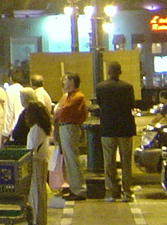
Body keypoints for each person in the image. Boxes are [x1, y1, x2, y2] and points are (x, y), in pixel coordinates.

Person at [95, 61, 138, 202]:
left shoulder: (100, 87)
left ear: (108, 72)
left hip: (108, 127)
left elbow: (100, 104)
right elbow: (132, 105)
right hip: (125, 127)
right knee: (126, 162)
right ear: (120, 72)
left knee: (109, 162)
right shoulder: (128, 87)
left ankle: (111, 193)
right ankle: (127, 192)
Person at [54, 73, 88, 201]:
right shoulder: (68, 96)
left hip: (69, 127)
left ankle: (78, 189)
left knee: (72, 158)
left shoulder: (78, 97)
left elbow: (61, 111)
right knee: (69, 159)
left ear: (72, 81)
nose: (63, 82)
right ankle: (74, 187)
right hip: (66, 127)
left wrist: (58, 110)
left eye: (65, 80)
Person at [23, 90, 54, 225]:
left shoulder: (35, 130)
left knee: (36, 191)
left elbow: (32, 148)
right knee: (40, 190)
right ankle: (40, 218)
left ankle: (37, 219)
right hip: (42, 159)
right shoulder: (42, 128)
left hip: (36, 161)